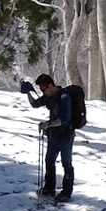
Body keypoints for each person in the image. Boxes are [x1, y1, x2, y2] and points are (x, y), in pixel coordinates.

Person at [20, 74, 73, 203]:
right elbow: (35, 104)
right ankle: (49, 188)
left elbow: (64, 120)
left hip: (66, 135)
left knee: (66, 163)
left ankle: (66, 193)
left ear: (50, 85)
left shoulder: (64, 97)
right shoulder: (49, 96)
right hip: (53, 135)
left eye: (43, 89)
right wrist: (28, 92)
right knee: (49, 161)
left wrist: (47, 124)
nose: (43, 92)